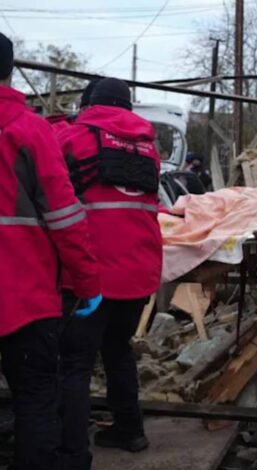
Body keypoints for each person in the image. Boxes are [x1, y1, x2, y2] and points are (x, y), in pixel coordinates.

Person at [0, 33, 102, 470]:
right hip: (23, 296)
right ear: (9, 69)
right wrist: (86, 282)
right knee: (35, 397)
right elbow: (64, 217)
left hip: (24, 294)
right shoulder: (29, 130)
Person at [56, 77, 162, 467]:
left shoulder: (72, 138)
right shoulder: (149, 148)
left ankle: (72, 449)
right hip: (140, 269)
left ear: (89, 103)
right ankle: (130, 430)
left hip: (91, 273)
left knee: (75, 361)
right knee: (118, 351)